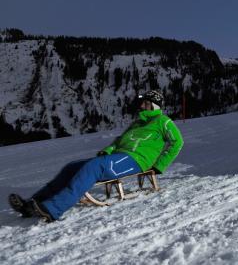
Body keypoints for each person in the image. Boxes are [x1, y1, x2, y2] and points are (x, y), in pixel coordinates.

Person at [8, 90, 184, 222]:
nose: (141, 105)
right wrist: (108, 150)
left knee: (94, 167)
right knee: (72, 167)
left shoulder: (163, 121)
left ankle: (53, 209)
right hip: (118, 156)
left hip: (137, 159)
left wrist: (160, 165)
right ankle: (32, 204)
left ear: (154, 105)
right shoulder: (137, 123)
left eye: (145, 103)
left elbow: (177, 142)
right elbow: (119, 140)